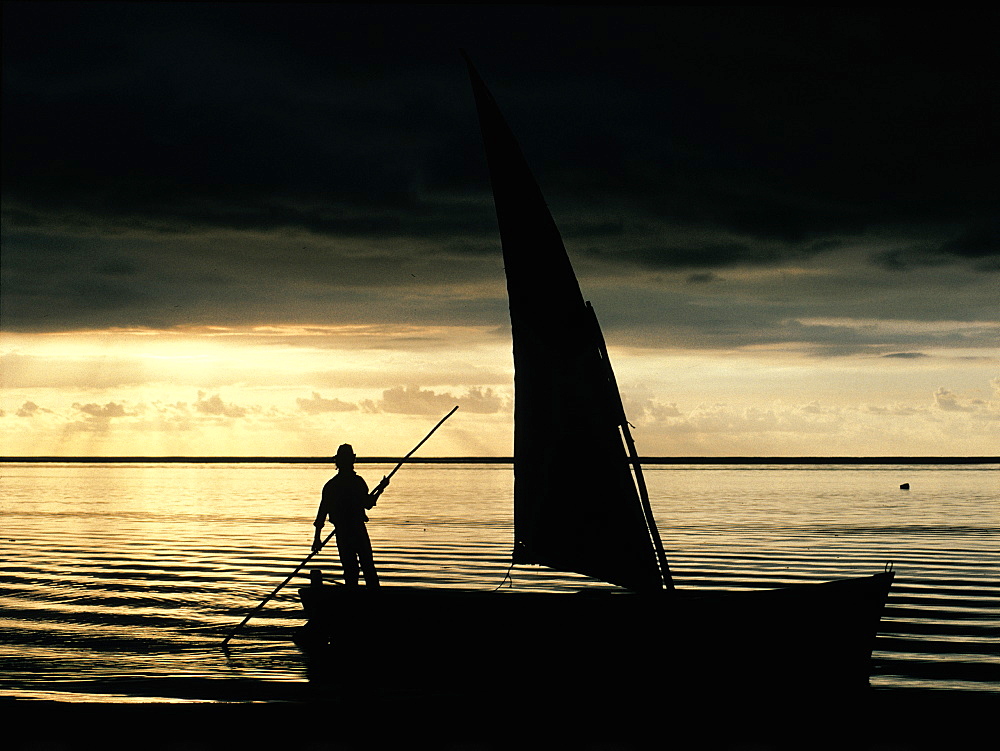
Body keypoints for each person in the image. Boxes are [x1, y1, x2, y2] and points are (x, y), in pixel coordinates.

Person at [312, 443, 388, 587]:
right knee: (365, 567)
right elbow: (368, 504)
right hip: (353, 531)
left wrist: (380, 488)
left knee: (355, 568)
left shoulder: (334, 485)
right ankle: (365, 598)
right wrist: (380, 489)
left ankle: (357, 597)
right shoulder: (350, 483)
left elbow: (322, 515)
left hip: (346, 532)